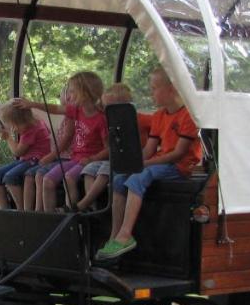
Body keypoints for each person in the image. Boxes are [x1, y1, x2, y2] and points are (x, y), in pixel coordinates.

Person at [96, 69, 203, 261]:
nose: (151, 93)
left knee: (139, 177)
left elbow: (178, 154)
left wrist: (144, 165)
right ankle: (114, 234)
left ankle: (126, 233)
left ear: (171, 89)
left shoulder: (188, 116)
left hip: (178, 167)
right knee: (120, 179)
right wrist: (135, 163)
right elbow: (149, 149)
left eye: (154, 88)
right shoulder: (160, 116)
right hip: (160, 162)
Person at [14, 71, 107, 212]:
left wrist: (92, 158)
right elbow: (55, 108)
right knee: (47, 180)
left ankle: (72, 213)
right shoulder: (77, 110)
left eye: (72, 91)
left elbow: (109, 148)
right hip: (76, 158)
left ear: (85, 93)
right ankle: (48, 217)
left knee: (68, 177)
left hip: (88, 160)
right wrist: (32, 104)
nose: (68, 95)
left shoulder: (101, 119)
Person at [73, 83, 151, 212]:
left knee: (106, 168)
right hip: (117, 157)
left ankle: (83, 204)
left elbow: (159, 128)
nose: (105, 111)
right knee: (89, 169)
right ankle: (92, 207)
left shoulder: (142, 119)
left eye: (109, 108)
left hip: (132, 158)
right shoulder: (111, 122)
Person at [0, 103, 52, 210]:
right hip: (26, 160)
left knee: (10, 177)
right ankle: (4, 209)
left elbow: (17, 152)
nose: (14, 129)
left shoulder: (31, 130)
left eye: (15, 125)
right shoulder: (31, 124)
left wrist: (8, 138)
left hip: (36, 160)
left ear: (23, 120)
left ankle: (20, 210)